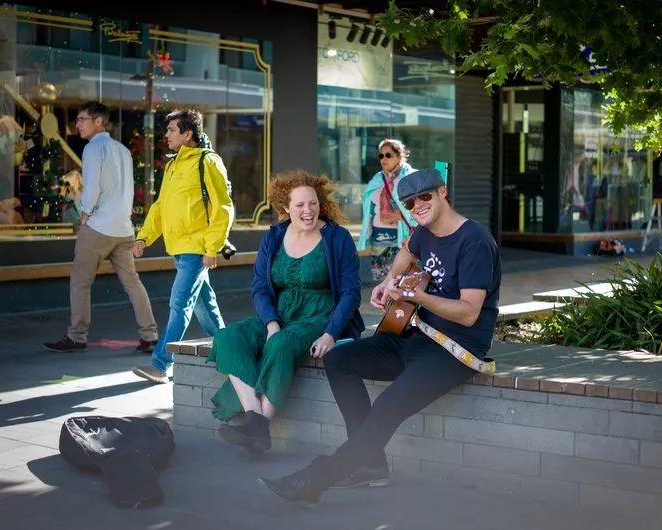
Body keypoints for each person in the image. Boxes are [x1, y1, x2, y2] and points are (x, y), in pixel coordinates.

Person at [259, 168, 502, 506]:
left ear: (443, 192)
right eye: (410, 202)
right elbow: (407, 252)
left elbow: (469, 312)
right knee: (339, 359)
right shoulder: (425, 231)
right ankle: (370, 465)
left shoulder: (474, 240)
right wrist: (390, 281)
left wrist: (418, 298)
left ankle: (317, 478)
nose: (417, 205)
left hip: (453, 351)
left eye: (425, 196)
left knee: (387, 407)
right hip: (414, 336)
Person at [209, 170, 364, 454]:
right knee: (228, 337)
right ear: (285, 208)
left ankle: (257, 426)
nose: (309, 210)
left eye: (313, 203)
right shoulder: (274, 236)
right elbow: (260, 288)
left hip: (321, 315)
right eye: (300, 205)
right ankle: (257, 422)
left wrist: (331, 333)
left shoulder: (337, 238)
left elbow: (351, 293)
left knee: (281, 344)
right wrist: (270, 323)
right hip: (279, 313)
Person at [44, 101, 158, 353]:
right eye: (77, 119)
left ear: (98, 121)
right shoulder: (123, 151)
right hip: (124, 228)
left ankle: (77, 336)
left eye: (82, 119)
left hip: (98, 227)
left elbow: (92, 186)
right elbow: (128, 190)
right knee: (132, 282)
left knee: (80, 282)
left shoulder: (94, 148)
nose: (77, 124)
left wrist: (84, 213)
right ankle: (149, 335)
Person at [131, 109, 234, 384]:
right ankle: (232, 352)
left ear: (188, 134)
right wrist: (144, 237)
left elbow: (224, 207)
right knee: (205, 305)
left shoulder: (208, 161)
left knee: (180, 303)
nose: (166, 135)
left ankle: (161, 364)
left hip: (197, 249)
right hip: (178, 247)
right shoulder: (173, 164)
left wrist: (212, 248)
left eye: (172, 130)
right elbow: (161, 207)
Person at [357, 138, 417, 282]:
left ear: (399, 156)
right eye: (381, 155)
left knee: (399, 278)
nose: (383, 159)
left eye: (388, 155)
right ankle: (384, 304)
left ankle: (400, 304)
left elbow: (415, 206)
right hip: (379, 236)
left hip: (401, 236)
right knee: (381, 278)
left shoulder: (410, 177)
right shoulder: (378, 178)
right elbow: (368, 205)